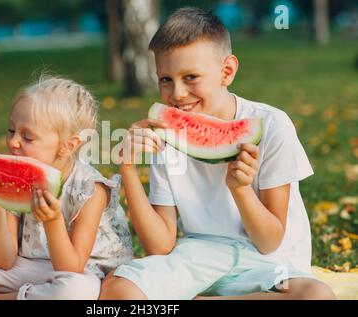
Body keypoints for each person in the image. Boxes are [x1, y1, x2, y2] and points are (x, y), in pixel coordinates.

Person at [99, 7, 335, 300]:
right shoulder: (165, 134)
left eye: (191, 77)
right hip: (198, 256)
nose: (178, 94)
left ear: (227, 72)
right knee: (117, 289)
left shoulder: (272, 125)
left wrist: (241, 189)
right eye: (165, 79)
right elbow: (159, 246)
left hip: (268, 265)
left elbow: (270, 241)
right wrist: (128, 169)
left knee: (317, 296)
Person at [0, 76, 133, 300]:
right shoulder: (16, 179)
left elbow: (71, 267)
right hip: (26, 270)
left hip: (80, 274)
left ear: (67, 146)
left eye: (27, 137)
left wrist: (53, 222)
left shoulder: (91, 189)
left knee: (78, 291)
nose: (13, 142)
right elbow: (3, 260)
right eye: (11, 130)